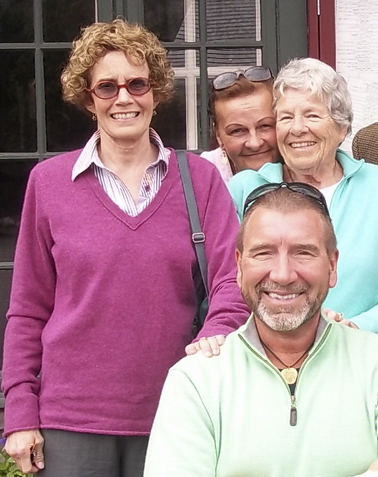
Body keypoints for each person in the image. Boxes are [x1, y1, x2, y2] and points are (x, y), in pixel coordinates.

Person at [1, 19, 249, 476]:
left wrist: (216, 333)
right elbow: (27, 309)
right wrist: (19, 409)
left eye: (137, 84)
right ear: (87, 97)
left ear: (155, 91)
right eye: (107, 87)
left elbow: (233, 278)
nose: (124, 98)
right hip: (72, 420)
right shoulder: (50, 184)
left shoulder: (200, 180)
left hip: (177, 407)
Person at [144, 183, 378, 477]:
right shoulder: (196, 381)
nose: (282, 275)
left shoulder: (373, 364)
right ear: (239, 267)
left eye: (303, 252)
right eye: (264, 253)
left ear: (332, 266)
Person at [229, 57, 378, 332]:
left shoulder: (374, 188)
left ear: (342, 127)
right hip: (266, 356)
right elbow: (225, 283)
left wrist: (357, 327)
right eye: (286, 117)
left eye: (311, 115)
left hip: (363, 358)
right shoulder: (244, 190)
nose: (297, 128)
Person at [200, 67, 280, 182]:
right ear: (219, 136)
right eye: (237, 131)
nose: (255, 144)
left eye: (265, 126)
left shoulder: (303, 166)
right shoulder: (202, 177)